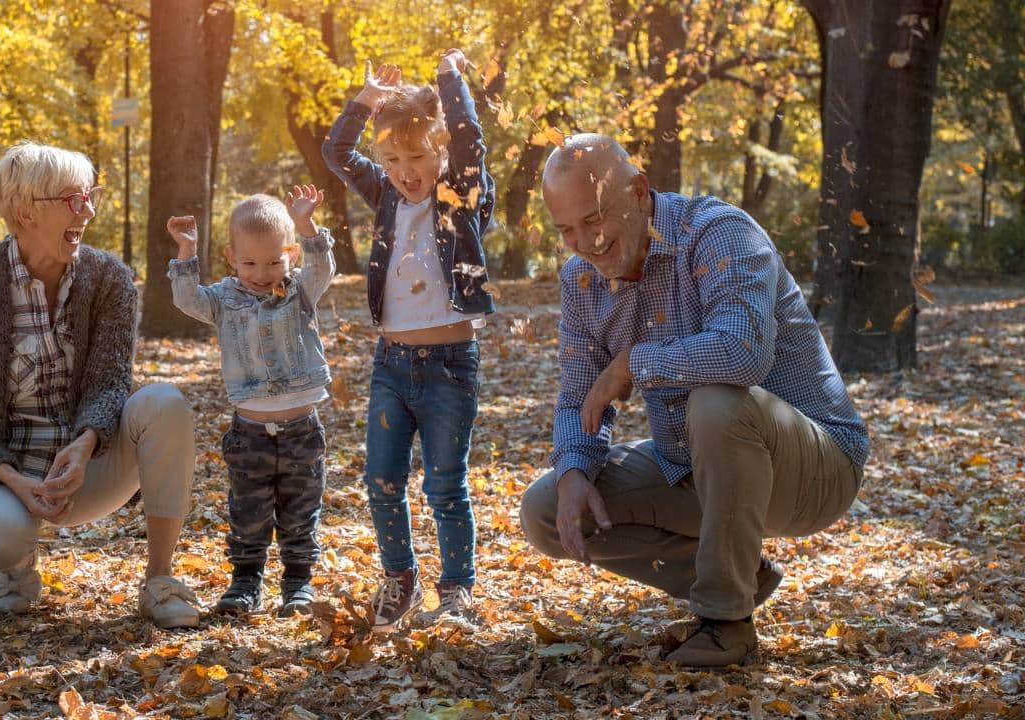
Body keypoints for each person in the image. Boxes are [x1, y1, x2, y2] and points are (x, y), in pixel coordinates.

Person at [518, 133, 870, 666]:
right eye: (566, 229)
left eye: (594, 219)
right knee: (545, 510)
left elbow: (742, 354)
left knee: (715, 402)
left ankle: (726, 622)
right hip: (693, 465)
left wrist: (633, 362)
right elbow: (579, 396)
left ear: (639, 191)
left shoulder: (719, 233)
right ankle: (742, 574)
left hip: (815, 468)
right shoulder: (581, 280)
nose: (585, 242)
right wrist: (573, 470)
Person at [0, 140, 199, 628]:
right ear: (25, 211)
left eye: (90, 196)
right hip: (11, 475)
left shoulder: (110, 280)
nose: (89, 211)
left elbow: (109, 382)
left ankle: (161, 579)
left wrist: (84, 444)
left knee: (166, 403)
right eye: (74, 200)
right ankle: (17, 567)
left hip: (90, 465)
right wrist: (13, 479)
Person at [322, 48, 495, 632]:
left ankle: (457, 590)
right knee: (381, 480)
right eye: (393, 158)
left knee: (445, 485)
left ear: (440, 151)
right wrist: (365, 100)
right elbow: (336, 153)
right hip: (391, 366)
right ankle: (400, 579)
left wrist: (450, 80)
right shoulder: (386, 198)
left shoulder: (460, 196)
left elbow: (471, 140)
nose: (405, 169)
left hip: (450, 366)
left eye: (417, 155)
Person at [165, 187, 335, 617]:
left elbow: (322, 266)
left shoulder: (300, 291)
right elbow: (186, 299)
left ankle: (297, 583)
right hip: (250, 433)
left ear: (291, 255)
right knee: (248, 511)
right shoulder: (223, 300)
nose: (262, 273)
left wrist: (306, 224)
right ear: (231, 258)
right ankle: (245, 583)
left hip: (301, 431)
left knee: (300, 510)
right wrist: (187, 252)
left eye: (274, 261)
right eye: (250, 263)